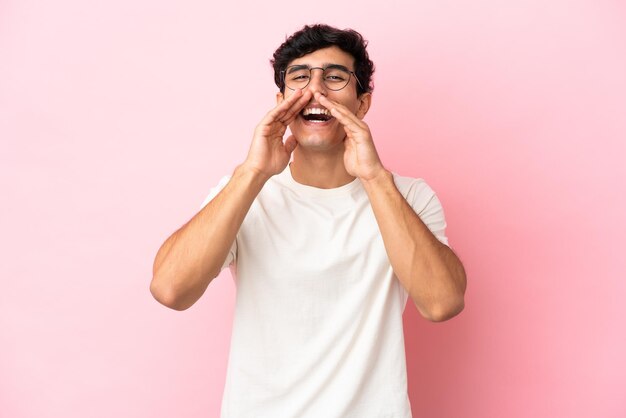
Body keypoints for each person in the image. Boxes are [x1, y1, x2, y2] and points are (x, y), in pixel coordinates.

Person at [150, 23, 467, 418]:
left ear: (362, 104)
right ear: (282, 99)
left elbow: (442, 303)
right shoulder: (245, 191)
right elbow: (170, 290)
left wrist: (374, 178)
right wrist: (253, 172)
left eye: (335, 77)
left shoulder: (410, 196)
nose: (315, 90)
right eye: (300, 77)